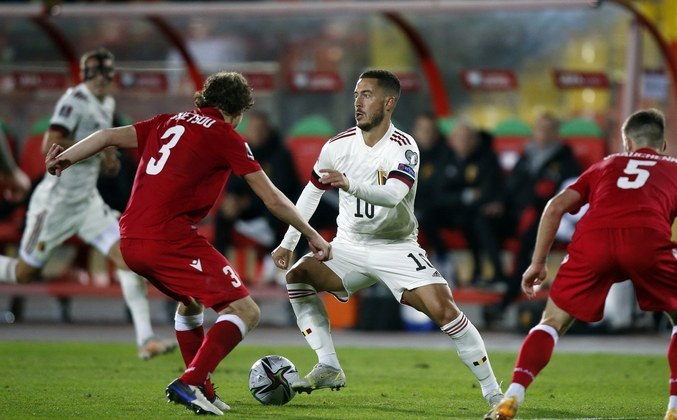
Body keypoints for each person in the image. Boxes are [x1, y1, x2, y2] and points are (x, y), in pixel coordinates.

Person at [45, 71, 332, 416]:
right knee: (245, 311)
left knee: (191, 303)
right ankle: (191, 381)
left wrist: (64, 158)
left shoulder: (166, 121)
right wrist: (312, 234)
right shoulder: (226, 135)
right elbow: (272, 197)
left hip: (131, 239)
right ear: (238, 111)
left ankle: (204, 391)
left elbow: (106, 136)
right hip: (168, 237)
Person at [271, 70, 504, 409]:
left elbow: (393, 194)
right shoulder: (336, 146)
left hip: (396, 248)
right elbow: (310, 194)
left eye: (366, 94)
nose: (357, 102)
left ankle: (493, 391)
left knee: (445, 310)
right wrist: (289, 243)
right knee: (297, 276)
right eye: (355, 95)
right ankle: (328, 365)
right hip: (349, 245)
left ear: (389, 102)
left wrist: (350, 184)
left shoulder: (404, 147)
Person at [485, 108, 677, 420]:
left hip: (594, 241)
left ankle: (511, 397)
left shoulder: (608, 163)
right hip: (646, 240)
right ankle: (674, 409)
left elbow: (555, 205)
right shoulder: (674, 168)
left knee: (551, 322)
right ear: (663, 145)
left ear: (627, 142)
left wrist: (538, 263)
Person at [0, 48, 175, 359]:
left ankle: (146, 338)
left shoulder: (106, 103)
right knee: (25, 273)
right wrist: (101, 149)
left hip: (88, 202)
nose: (100, 79)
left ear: (112, 75)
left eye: (105, 72)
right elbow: (48, 144)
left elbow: (100, 149)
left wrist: (105, 159)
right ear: (83, 75)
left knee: (128, 258)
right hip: (56, 203)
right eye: (92, 72)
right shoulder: (73, 101)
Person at [484, 112, 581, 327]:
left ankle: (508, 296)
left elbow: (566, 194)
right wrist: (499, 203)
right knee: (483, 221)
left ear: (556, 134)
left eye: (548, 129)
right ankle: (497, 275)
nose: (543, 134)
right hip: (516, 213)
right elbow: (510, 187)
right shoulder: (526, 156)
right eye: (540, 129)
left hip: (544, 217)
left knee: (528, 239)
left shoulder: (566, 160)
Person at [214, 111, 300, 283]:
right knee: (222, 216)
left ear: (268, 130)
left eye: (261, 129)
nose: (257, 133)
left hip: (270, 213)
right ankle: (219, 268)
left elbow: (280, 190)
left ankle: (276, 263)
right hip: (247, 213)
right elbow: (233, 183)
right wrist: (233, 200)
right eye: (253, 129)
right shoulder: (243, 151)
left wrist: (247, 202)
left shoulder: (280, 154)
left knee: (275, 207)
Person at [419, 119, 506, 287]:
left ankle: (496, 273)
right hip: (451, 211)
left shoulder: (486, 158)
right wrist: (465, 195)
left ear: (476, 139)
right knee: (425, 215)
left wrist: (464, 197)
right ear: (452, 140)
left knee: (479, 222)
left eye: (467, 138)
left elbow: (488, 191)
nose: (463, 142)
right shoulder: (445, 158)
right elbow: (439, 193)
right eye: (459, 138)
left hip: (476, 212)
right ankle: (443, 259)